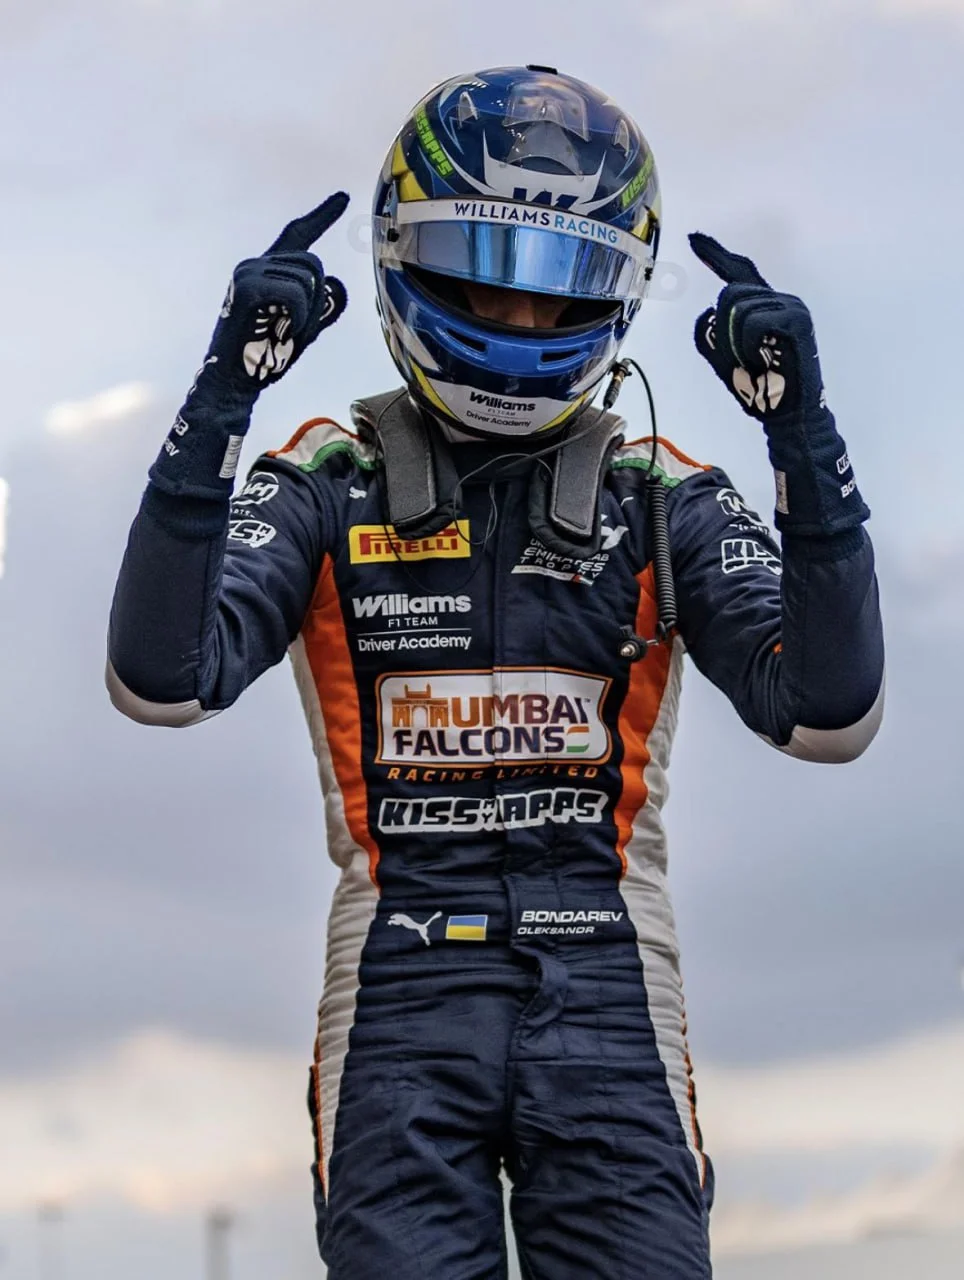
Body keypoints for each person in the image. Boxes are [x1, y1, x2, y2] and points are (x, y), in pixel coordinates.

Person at [107, 66, 884, 1280]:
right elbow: (160, 678)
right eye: (483, 271)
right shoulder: (326, 478)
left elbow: (829, 713)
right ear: (402, 256)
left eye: (558, 283)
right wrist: (221, 397)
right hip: (396, 979)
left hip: (612, 975)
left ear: (616, 290)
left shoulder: (662, 492)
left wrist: (804, 436)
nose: (520, 318)